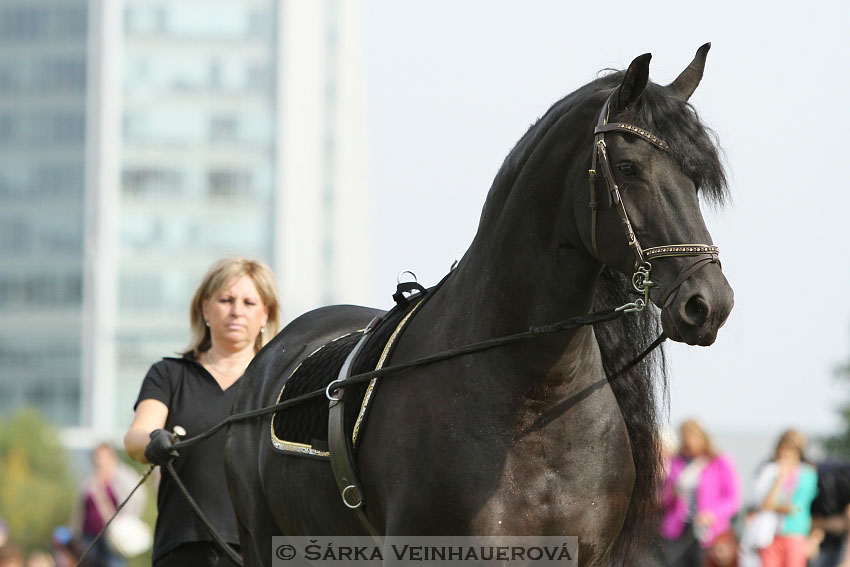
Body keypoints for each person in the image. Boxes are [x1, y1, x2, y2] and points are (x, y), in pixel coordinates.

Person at [123, 258, 280, 567]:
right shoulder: (168, 374)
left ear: (266, 314)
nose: (236, 311)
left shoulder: (282, 381)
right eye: (226, 300)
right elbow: (135, 438)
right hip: (182, 547)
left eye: (249, 302)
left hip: (262, 551)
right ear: (206, 309)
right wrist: (153, 441)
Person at [660, 419, 741, 567]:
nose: (690, 442)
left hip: (709, 532)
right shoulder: (675, 463)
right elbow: (661, 499)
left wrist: (712, 514)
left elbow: (732, 499)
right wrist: (672, 492)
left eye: (693, 436)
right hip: (678, 531)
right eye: (686, 437)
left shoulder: (719, 462)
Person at [753, 429, 818, 567]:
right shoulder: (769, 472)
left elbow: (798, 508)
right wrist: (780, 479)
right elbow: (763, 504)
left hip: (795, 534)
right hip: (769, 535)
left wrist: (814, 539)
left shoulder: (808, 474)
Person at [79, 443, 126, 567]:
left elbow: (134, 499)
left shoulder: (121, 477)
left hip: (113, 534)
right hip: (90, 535)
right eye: (97, 456)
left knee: (114, 563)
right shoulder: (90, 479)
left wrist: (125, 519)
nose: (100, 460)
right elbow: (81, 508)